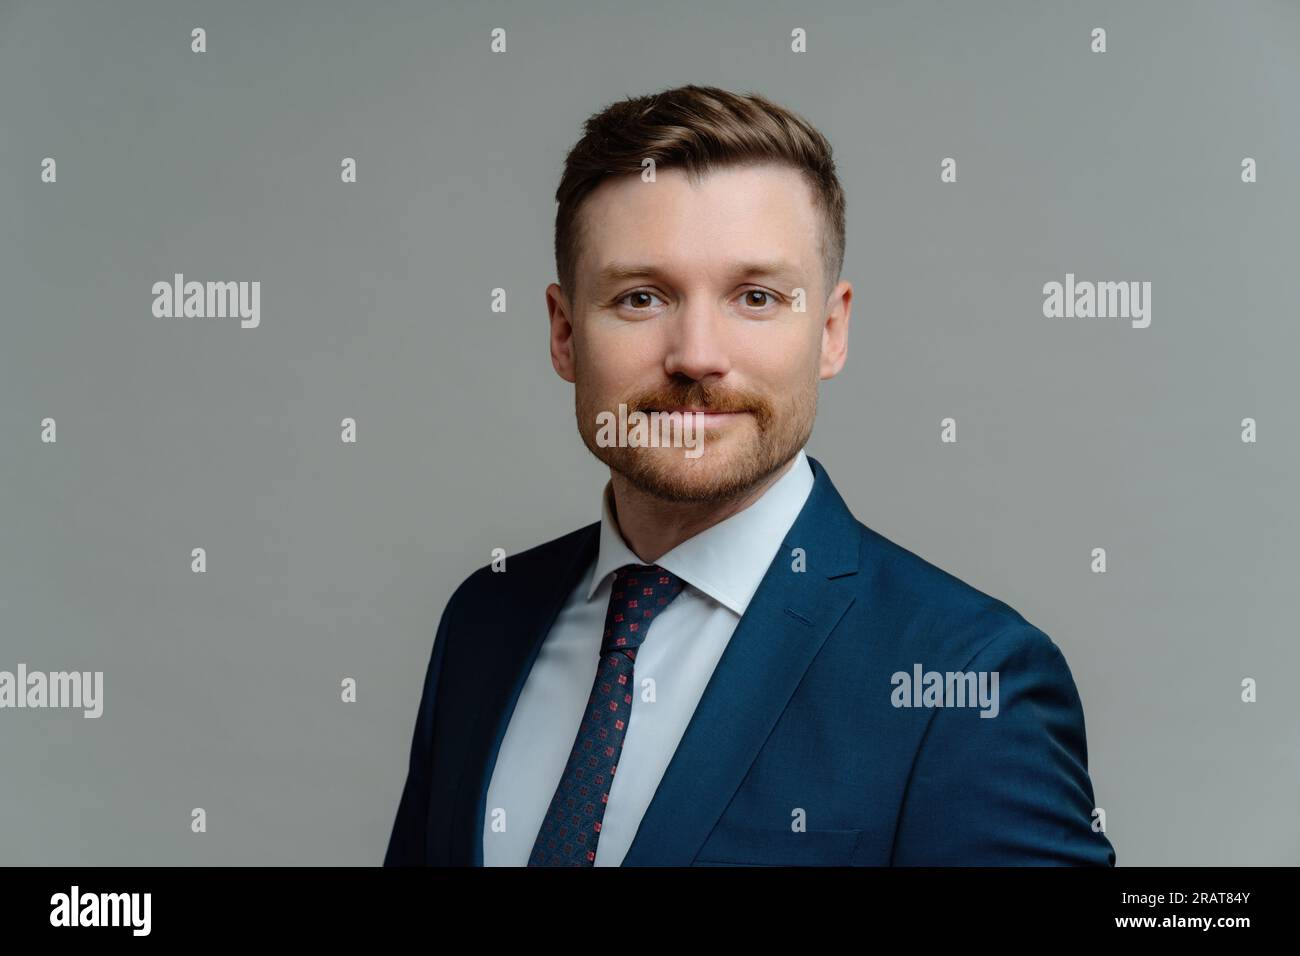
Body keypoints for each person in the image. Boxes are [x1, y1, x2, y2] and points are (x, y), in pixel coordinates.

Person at [384, 84, 1115, 867]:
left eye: (756, 297)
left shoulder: (967, 678)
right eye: (640, 297)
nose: (696, 353)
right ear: (565, 334)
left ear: (830, 333)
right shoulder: (484, 620)